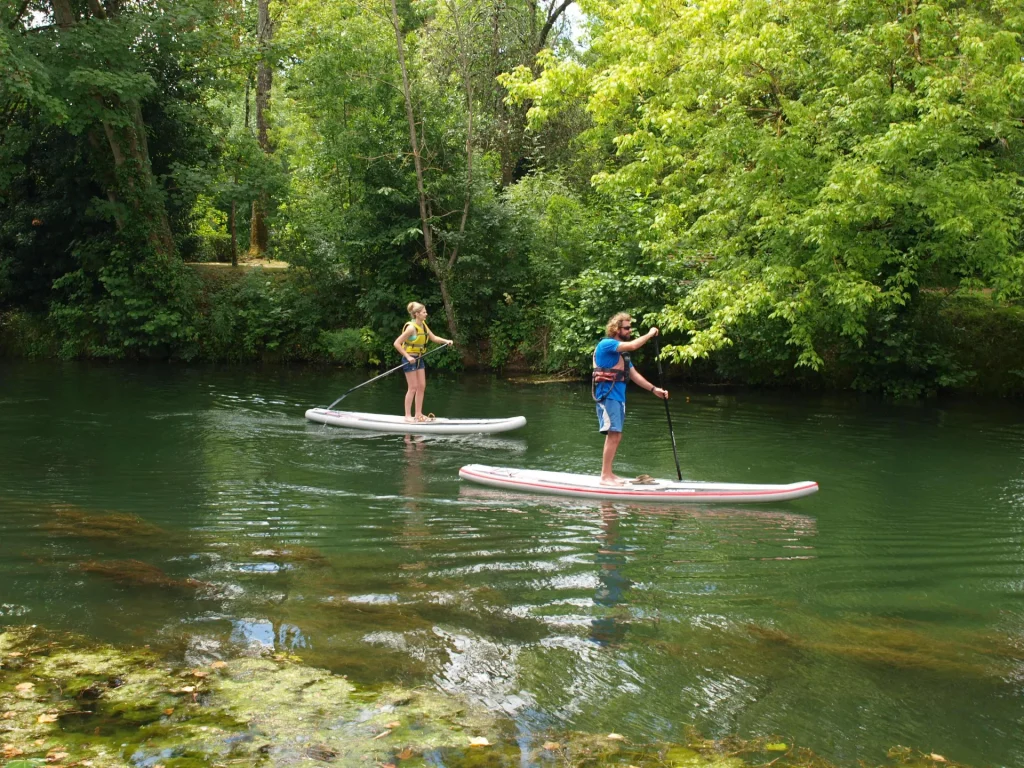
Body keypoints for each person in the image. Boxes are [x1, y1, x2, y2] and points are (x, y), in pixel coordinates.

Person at [592, 312, 669, 485]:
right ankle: (605, 476)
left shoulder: (623, 354)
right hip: (607, 396)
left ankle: (609, 474)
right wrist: (650, 334)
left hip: (618, 397)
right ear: (616, 328)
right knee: (613, 434)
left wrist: (653, 389)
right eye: (626, 327)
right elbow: (634, 345)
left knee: (617, 435)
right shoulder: (607, 344)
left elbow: (634, 375)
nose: (629, 330)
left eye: (630, 327)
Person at [393, 302, 452, 422]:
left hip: (419, 359)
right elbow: (397, 343)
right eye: (424, 312)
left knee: (421, 386)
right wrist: (408, 357)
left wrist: (446, 341)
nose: (426, 314)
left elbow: (434, 338)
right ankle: (407, 416)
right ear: (417, 314)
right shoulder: (411, 328)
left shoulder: (424, 325)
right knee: (413, 387)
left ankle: (418, 414)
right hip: (409, 360)